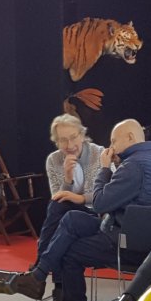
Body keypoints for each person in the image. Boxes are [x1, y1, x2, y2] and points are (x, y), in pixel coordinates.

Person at [9, 118, 151, 301]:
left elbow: (99, 203)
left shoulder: (133, 166)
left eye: (114, 141)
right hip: (144, 238)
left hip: (128, 244)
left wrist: (104, 169)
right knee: (70, 218)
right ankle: (39, 274)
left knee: (69, 252)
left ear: (130, 137)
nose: (112, 146)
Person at [40, 114, 106, 282]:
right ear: (56, 142)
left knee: (62, 217)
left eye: (73, 137)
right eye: (63, 140)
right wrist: (67, 179)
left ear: (82, 135)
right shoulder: (53, 160)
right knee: (58, 208)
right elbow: (57, 197)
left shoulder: (99, 153)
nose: (69, 145)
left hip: (95, 214)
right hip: (65, 214)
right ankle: (54, 284)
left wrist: (79, 198)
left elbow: (107, 195)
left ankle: (40, 270)